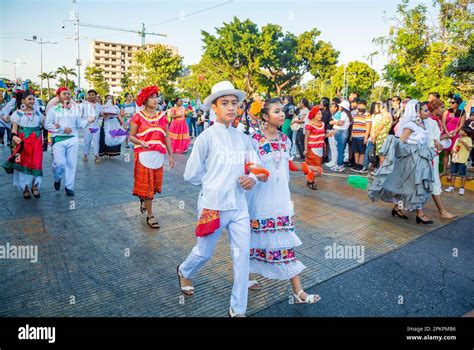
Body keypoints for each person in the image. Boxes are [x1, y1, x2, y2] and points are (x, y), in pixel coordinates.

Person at [177, 80, 265, 318]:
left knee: (241, 256)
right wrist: (213, 184)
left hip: (239, 207)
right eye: (224, 103)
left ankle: (238, 309)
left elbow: (257, 167)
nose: (230, 108)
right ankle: (184, 270)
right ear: (214, 108)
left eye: (234, 103)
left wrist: (252, 179)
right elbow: (190, 175)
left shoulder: (244, 139)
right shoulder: (206, 138)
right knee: (204, 252)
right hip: (213, 206)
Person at [246, 98, 321, 304]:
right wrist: (256, 171)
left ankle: (297, 292)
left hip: (281, 199)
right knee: (251, 241)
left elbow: (287, 164)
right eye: (277, 111)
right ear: (264, 116)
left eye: (283, 111)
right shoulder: (253, 140)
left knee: (285, 243)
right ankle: (245, 276)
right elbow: (247, 167)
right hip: (260, 200)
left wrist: (307, 167)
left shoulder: (284, 139)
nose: (282, 115)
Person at [369, 100, 435, 224]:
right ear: (417, 112)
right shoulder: (411, 125)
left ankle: (398, 208)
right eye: (425, 110)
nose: (428, 112)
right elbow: (401, 141)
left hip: (421, 159)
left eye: (428, 110)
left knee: (412, 186)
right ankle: (419, 213)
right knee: (414, 185)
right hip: (411, 160)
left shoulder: (423, 124)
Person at [128, 85, 174, 229]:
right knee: (147, 188)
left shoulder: (162, 117)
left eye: (156, 97)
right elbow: (131, 136)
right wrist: (140, 142)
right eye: (152, 97)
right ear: (144, 99)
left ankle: (144, 200)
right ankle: (150, 215)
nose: (155, 100)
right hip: (143, 155)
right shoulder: (138, 117)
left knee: (153, 187)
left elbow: (166, 137)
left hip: (157, 156)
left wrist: (170, 156)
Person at [44, 87, 96, 196]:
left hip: (73, 138)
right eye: (64, 94)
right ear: (58, 96)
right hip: (58, 139)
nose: (67, 95)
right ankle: (57, 178)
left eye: (68, 94)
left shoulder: (74, 109)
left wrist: (88, 121)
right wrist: (62, 129)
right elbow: (47, 125)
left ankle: (69, 186)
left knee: (71, 164)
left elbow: (79, 124)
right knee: (59, 163)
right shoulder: (53, 110)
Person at [2, 90, 44, 199]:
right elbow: (14, 129)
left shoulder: (38, 113)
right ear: (23, 100)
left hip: (36, 143)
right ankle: (25, 188)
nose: (32, 101)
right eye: (29, 99)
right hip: (23, 144)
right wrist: (15, 137)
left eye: (33, 99)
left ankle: (35, 187)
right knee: (23, 163)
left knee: (37, 163)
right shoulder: (18, 113)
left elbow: (46, 124)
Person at [426, 98, 457, 219]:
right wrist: (437, 141)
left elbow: (436, 137)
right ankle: (442, 211)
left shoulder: (436, 120)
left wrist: (447, 136)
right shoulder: (429, 120)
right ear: (435, 109)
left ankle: (403, 208)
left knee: (428, 183)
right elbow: (428, 138)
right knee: (433, 183)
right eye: (442, 107)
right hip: (431, 156)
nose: (444, 110)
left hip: (434, 155)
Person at [440, 95, 466, 176]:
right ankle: (444, 170)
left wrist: (455, 131)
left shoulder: (462, 112)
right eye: (450, 102)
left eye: (452, 102)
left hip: (455, 134)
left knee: (453, 153)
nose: (450, 103)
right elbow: (443, 123)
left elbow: (461, 124)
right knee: (445, 153)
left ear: (457, 104)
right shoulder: (446, 111)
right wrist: (447, 132)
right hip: (446, 133)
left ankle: (452, 172)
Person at [444, 126, 472, 195]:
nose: (460, 131)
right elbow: (455, 148)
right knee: (453, 173)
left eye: (461, 130)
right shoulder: (457, 139)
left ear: (465, 133)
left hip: (462, 160)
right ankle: (451, 186)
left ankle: (462, 188)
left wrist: (463, 142)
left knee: (462, 174)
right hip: (455, 159)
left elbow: (469, 148)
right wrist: (453, 152)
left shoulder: (468, 139)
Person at [304, 106, 325, 189]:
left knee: (317, 168)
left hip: (320, 149)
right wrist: (305, 149)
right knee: (317, 170)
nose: (320, 116)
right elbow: (306, 138)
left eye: (321, 114)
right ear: (314, 115)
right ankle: (310, 181)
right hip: (312, 149)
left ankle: (310, 180)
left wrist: (329, 135)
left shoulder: (322, 124)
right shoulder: (309, 125)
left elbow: (322, 135)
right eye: (318, 114)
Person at [330, 100, 351, 172]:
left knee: (340, 149)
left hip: (341, 132)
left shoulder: (344, 114)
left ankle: (340, 165)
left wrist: (333, 122)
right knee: (340, 149)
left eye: (340, 105)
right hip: (341, 132)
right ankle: (339, 164)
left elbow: (341, 123)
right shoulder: (345, 113)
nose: (339, 106)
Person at [81, 89, 102, 163]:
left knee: (96, 141)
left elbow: (101, 115)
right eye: (89, 95)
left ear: (95, 96)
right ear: (87, 96)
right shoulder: (83, 104)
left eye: (93, 95)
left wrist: (101, 119)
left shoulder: (99, 106)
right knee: (87, 141)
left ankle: (96, 156)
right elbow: (80, 115)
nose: (91, 96)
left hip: (96, 126)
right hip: (87, 126)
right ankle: (85, 155)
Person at [350, 99, 371, 172]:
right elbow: (353, 125)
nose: (361, 106)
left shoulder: (367, 115)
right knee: (355, 151)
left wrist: (366, 137)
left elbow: (368, 127)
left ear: (365, 106)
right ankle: (356, 165)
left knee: (361, 152)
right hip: (354, 136)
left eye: (362, 105)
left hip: (362, 136)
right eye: (359, 105)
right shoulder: (355, 114)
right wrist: (351, 136)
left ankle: (360, 165)